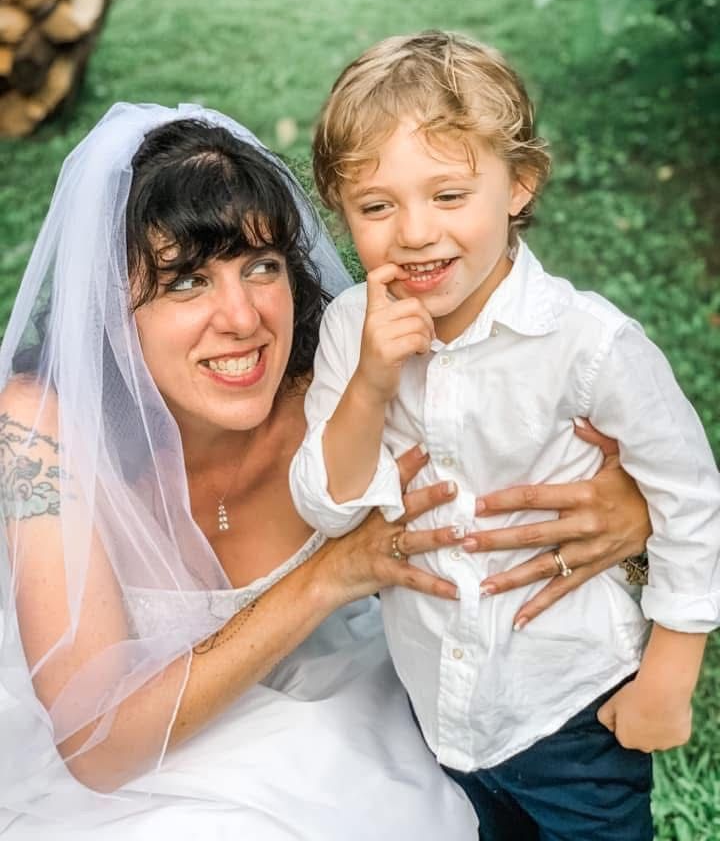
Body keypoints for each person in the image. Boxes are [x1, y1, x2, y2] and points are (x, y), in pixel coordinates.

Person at [0, 102, 650, 839]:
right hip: (118, 772)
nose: (243, 318)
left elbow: (569, 452)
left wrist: (638, 515)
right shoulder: (40, 427)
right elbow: (98, 750)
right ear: (111, 307)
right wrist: (330, 574)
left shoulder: (347, 397)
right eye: (187, 282)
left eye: (261, 266)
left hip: (331, 721)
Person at [290, 31, 720, 840]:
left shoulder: (588, 344)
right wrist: (372, 383)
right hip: (435, 705)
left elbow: (691, 494)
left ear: (519, 184)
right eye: (377, 206)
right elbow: (329, 503)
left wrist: (671, 667)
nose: (414, 232)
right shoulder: (353, 328)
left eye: (449, 195)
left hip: (569, 703)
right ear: (341, 211)